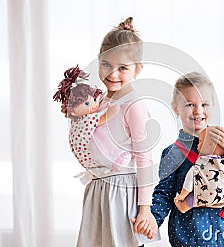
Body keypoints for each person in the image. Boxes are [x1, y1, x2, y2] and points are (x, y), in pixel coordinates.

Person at [68, 17, 159, 247]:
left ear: (138, 69)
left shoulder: (134, 105)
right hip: (98, 190)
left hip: (121, 195)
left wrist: (145, 209)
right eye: (106, 64)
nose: (113, 74)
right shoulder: (98, 101)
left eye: (123, 68)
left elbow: (144, 159)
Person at [150, 71, 224, 246]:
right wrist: (152, 220)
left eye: (204, 104)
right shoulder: (172, 153)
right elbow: (164, 194)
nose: (198, 111)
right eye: (190, 104)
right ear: (176, 108)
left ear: (213, 105)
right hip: (191, 236)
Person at [53, 65, 131, 172]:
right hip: (93, 154)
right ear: (73, 110)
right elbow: (104, 118)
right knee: (102, 136)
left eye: (94, 100)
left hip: (86, 158)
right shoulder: (85, 119)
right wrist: (112, 110)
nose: (94, 105)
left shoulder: (75, 121)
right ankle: (116, 161)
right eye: (86, 103)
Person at [173, 127, 224, 214]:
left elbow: (189, 181)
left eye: (199, 142)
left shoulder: (201, 163)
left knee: (194, 197)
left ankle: (183, 207)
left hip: (207, 194)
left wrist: (182, 195)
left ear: (209, 145)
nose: (197, 146)